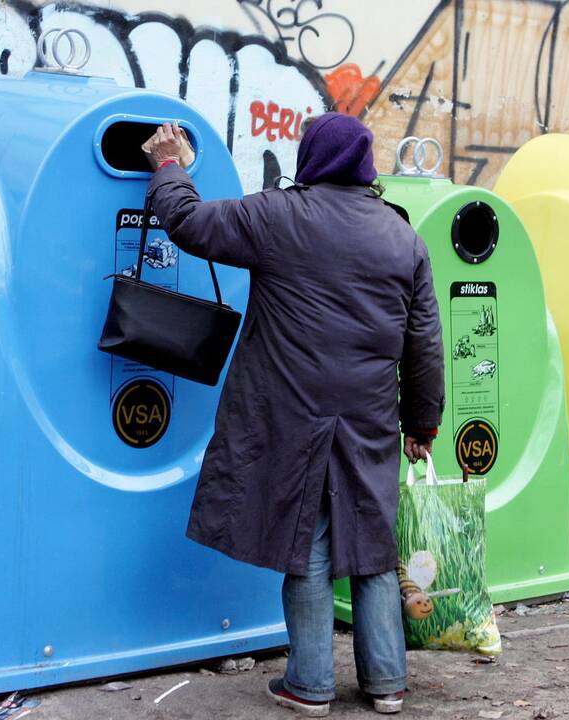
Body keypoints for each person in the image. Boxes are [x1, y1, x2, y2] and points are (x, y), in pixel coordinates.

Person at [142, 113, 444, 717]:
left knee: (305, 538)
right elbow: (425, 340)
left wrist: (170, 167)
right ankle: (387, 683)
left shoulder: (276, 216)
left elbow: (190, 223)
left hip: (292, 410)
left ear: (312, 158)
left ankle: (309, 684)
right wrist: (422, 422)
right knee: (373, 541)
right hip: (370, 416)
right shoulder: (401, 236)